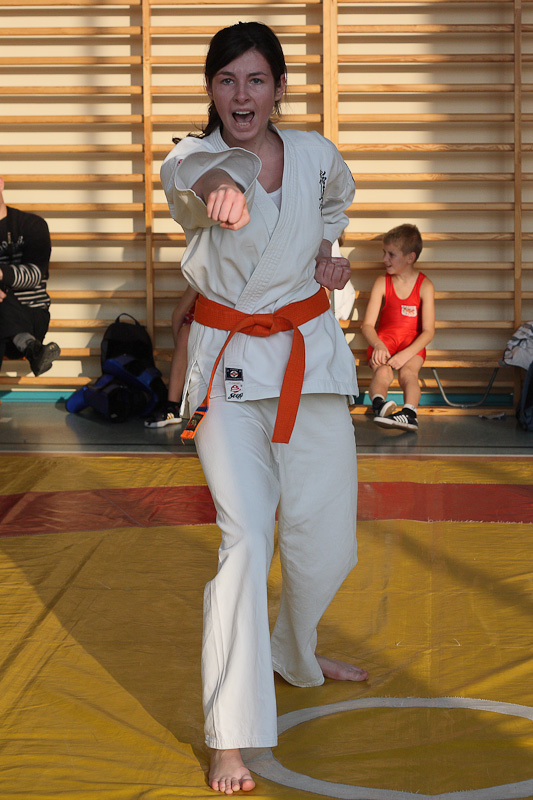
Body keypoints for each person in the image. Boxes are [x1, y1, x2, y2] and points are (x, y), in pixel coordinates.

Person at [160, 22, 368, 795]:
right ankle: (231, 736)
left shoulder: (314, 154)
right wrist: (221, 187)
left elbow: (336, 200)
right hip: (229, 374)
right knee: (246, 539)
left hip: (309, 362)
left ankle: (292, 650)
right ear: (210, 90)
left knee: (327, 541)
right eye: (226, 80)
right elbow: (196, 179)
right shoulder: (191, 159)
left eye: (255, 80)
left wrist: (328, 253)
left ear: (278, 88)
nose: (241, 95)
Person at [361, 223, 435, 432]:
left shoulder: (425, 286)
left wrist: (405, 355)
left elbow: (428, 331)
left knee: (408, 374)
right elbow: (367, 325)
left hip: (411, 345)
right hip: (384, 341)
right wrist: (378, 345)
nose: (385, 259)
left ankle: (409, 414)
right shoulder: (381, 282)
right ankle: (379, 405)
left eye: (391, 254)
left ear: (410, 257)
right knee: (382, 372)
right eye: (384, 253)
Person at [0, 177, 61, 376]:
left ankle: (30, 344)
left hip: (31, 315)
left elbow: (34, 275)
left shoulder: (32, 225)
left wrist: (1, 273)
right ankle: (32, 349)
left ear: (0, 183)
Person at [144, 286, 198, 427]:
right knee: (185, 333)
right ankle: (172, 406)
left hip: (233, 329)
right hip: (204, 329)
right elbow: (178, 315)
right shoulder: (203, 276)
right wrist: (179, 348)